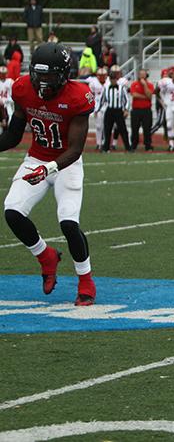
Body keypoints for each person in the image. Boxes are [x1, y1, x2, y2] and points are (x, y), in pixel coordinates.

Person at [0, 42, 97, 305]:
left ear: (65, 74)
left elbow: (76, 149)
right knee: (12, 211)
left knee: (68, 222)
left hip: (65, 164)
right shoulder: (22, 89)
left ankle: (85, 280)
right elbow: (12, 136)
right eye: (39, 74)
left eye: (50, 75)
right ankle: (46, 256)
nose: (43, 81)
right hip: (36, 158)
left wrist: (48, 169)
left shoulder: (78, 96)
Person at [101, 71, 131, 152]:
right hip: (109, 110)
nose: (113, 81)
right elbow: (102, 100)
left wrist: (126, 109)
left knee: (123, 129)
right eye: (112, 79)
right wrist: (97, 110)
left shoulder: (121, 88)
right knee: (107, 129)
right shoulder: (106, 88)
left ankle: (128, 147)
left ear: (116, 79)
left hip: (118, 110)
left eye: (114, 79)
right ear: (110, 79)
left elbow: (126, 100)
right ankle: (106, 148)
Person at [129, 69, 154, 151]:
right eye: (141, 74)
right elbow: (134, 94)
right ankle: (134, 145)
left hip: (146, 109)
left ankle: (148, 145)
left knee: (147, 129)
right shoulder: (134, 84)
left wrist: (145, 86)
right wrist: (145, 97)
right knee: (134, 128)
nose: (142, 76)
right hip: (136, 109)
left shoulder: (149, 85)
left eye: (144, 74)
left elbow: (150, 95)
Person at [87, 67, 109, 149]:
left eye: (104, 75)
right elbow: (90, 94)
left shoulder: (109, 81)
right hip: (97, 106)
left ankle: (104, 142)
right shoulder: (93, 82)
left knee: (106, 126)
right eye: (100, 75)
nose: (102, 77)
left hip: (107, 106)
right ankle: (98, 143)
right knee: (99, 126)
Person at [0, 66, 12, 133]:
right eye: (1, 73)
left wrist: (6, 100)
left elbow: (13, 95)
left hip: (8, 104)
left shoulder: (10, 81)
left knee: (10, 118)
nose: (2, 75)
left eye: (4, 73)